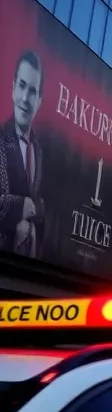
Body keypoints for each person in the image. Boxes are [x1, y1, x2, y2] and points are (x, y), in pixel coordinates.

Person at [0, 51, 45, 258]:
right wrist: (24, 206)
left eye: (33, 91)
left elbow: (40, 207)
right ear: (12, 88)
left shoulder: (38, 150)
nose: (26, 98)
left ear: (39, 101)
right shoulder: (1, 139)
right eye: (22, 86)